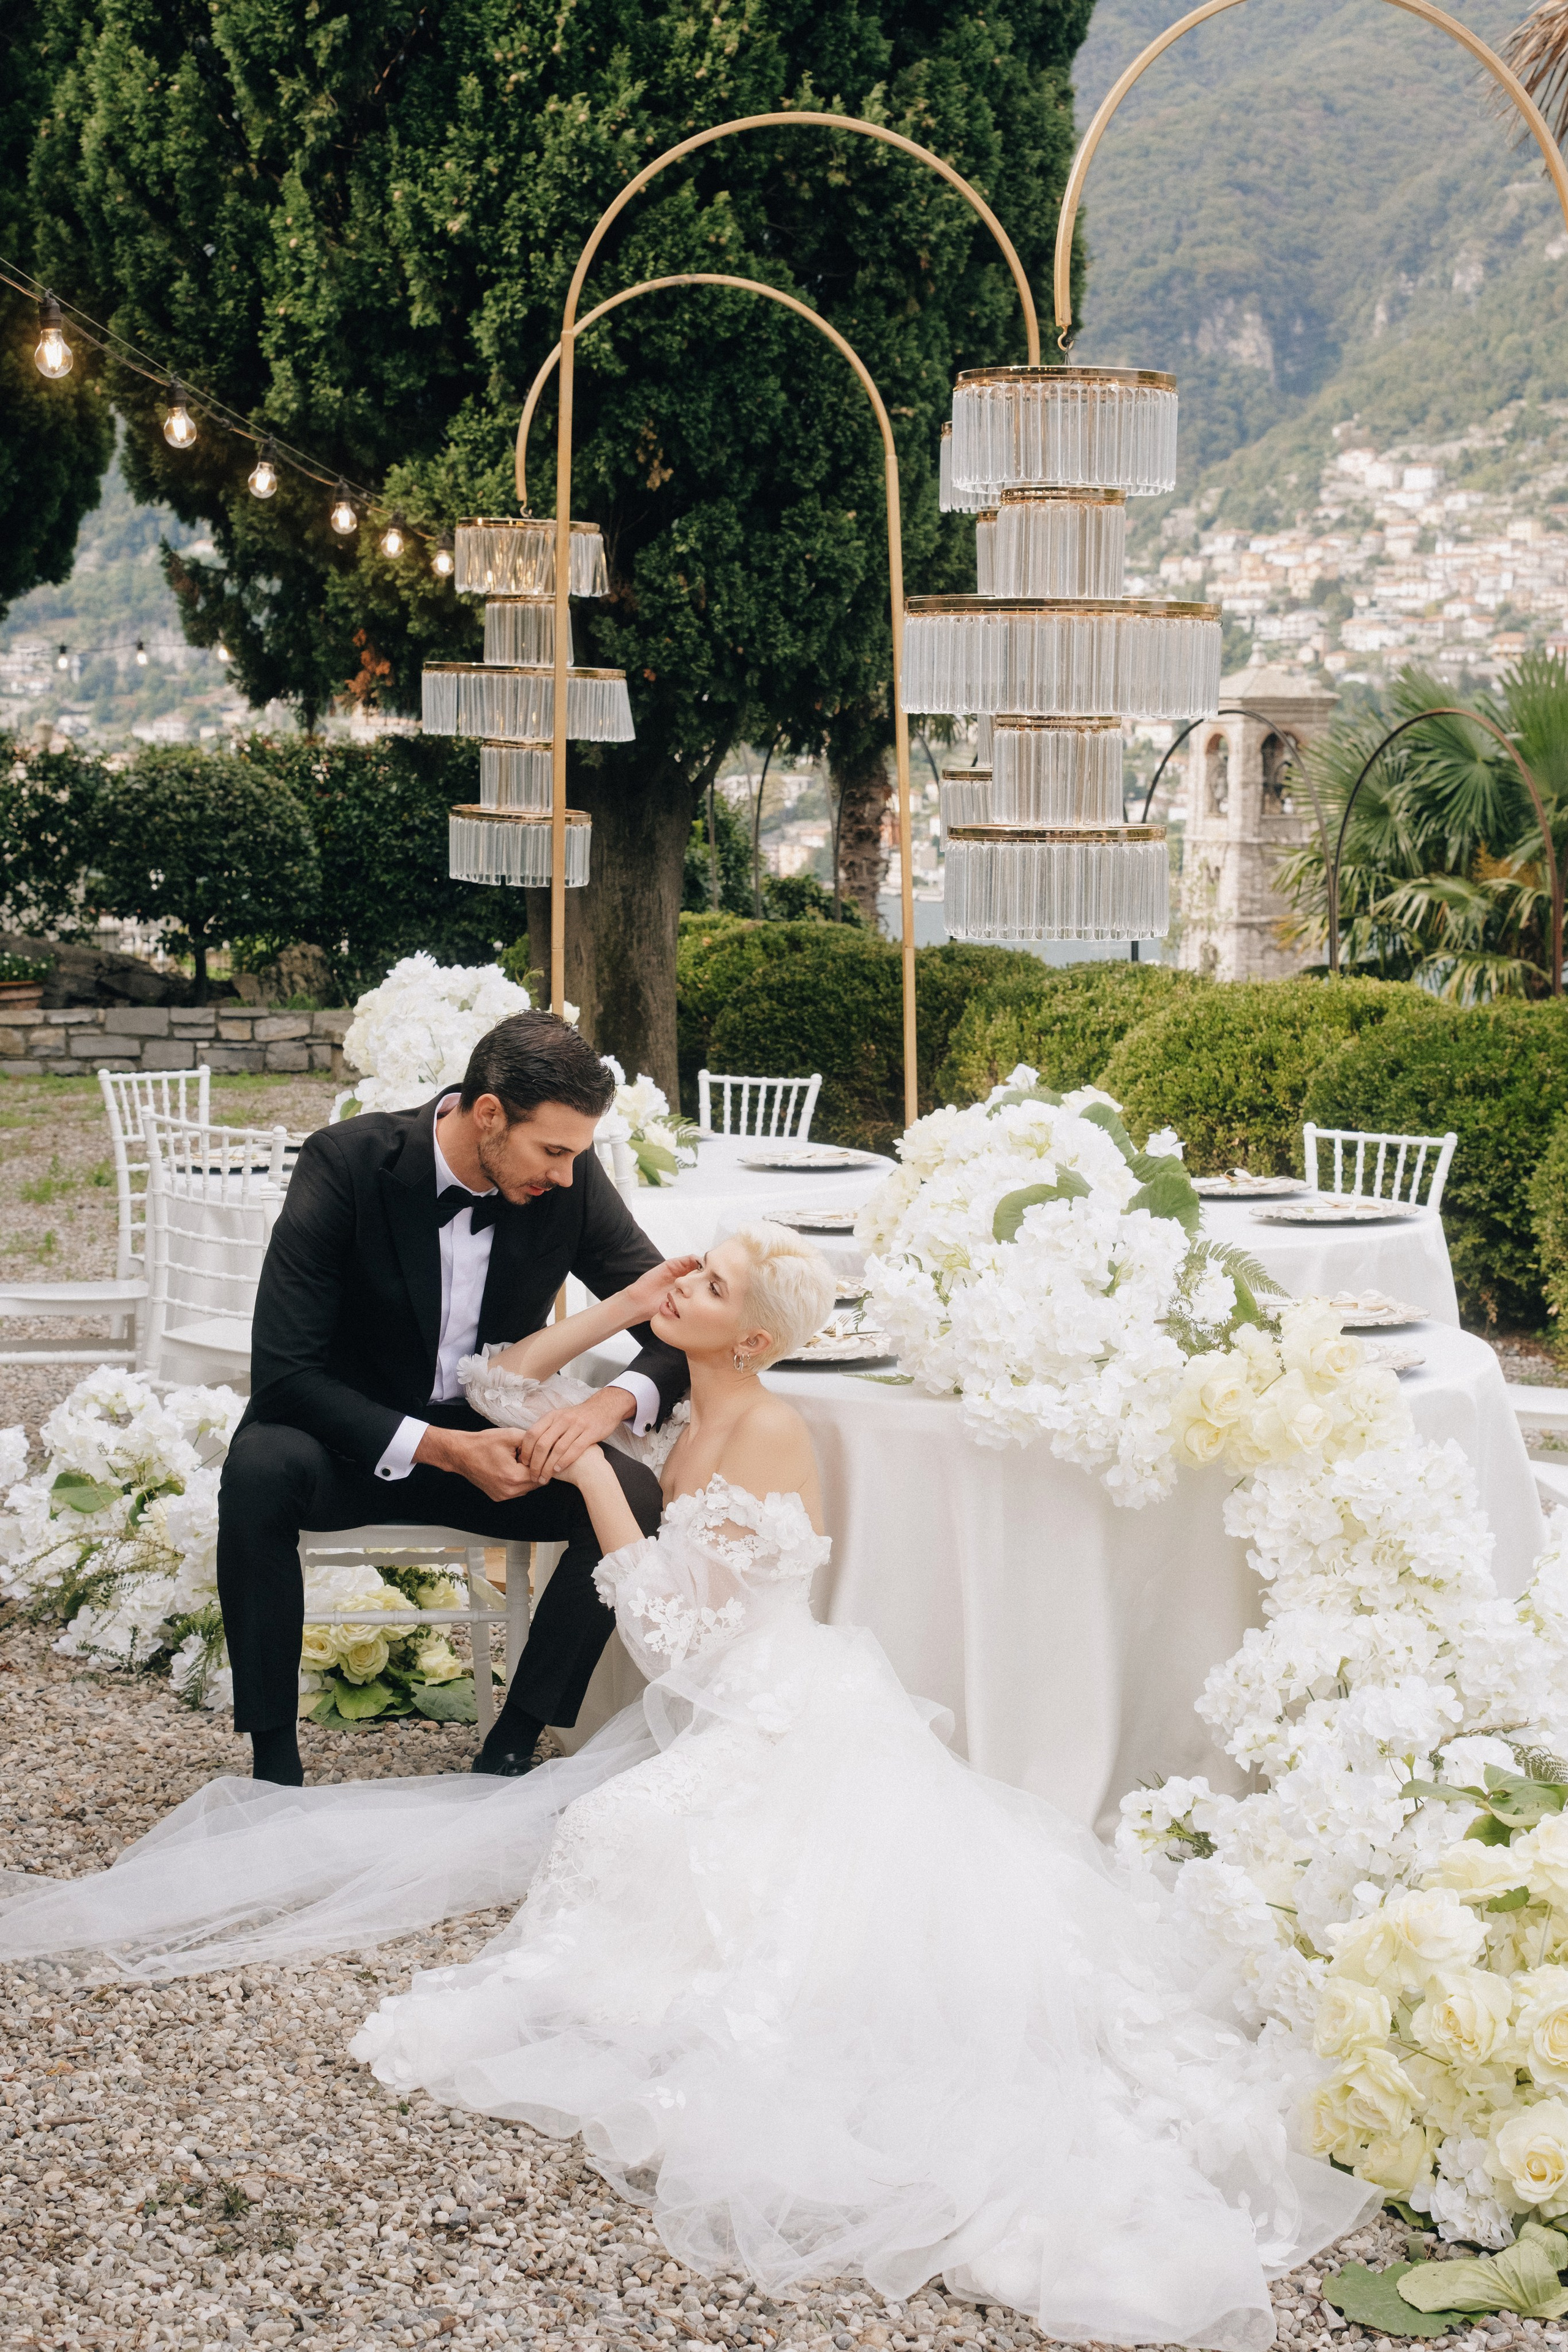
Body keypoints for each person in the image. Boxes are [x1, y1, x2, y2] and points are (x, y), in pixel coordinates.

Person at [0, 1222, 1374, 2347]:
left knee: (639, 1877)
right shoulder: (688, 1395)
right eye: (685, 1270)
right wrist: (626, 1317)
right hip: (735, 1701)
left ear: (755, 1336)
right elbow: (494, 1384)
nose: (679, 1284)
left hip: (774, 1717)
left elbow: (681, 1647)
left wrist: (604, 1478)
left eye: (706, 1284)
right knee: (604, 1857)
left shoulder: (768, 1434)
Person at [216, 1008, 700, 1788]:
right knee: (259, 1468)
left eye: (576, 1153)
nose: (567, 1174)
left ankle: (514, 1743)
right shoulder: (344, 1163)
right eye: (552, 1150)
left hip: (499, 1444)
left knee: (632, 1494)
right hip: (350, 1441)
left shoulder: (566, 1181)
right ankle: (273, 1761)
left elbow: (678, 1323)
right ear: (487, 1115)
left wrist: (608, 1407)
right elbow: (285, 1374)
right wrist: (443, 1448)